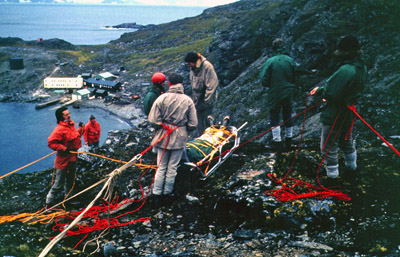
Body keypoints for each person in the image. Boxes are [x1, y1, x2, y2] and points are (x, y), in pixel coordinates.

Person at [309, 35, 367, 179]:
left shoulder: (345, 70)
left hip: (335, 112)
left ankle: (332, 177)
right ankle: (352, 169)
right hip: (349, 111)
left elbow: (331, 92)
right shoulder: (361, 67)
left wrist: (321, 92)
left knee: (328, 145)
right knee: (346, 140)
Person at [148, 72, 197, 205]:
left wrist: (162, 126)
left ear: (169, 83)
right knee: (172, 168)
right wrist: (183, 127)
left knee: (161, 166)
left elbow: (153, 119)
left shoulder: (162, 98)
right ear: (181, 84)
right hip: (179, 137)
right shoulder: (188, 100)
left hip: (163, 135)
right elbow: (193, 124)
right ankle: (167, 193)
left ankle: (157, 194)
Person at [259, 38, 296, 152]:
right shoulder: (290, 60)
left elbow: (264, 80)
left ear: (273, 48)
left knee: (275, 116)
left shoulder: (271, 61)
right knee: (287, 115)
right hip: (289, 91)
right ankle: (289, 140)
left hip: (275, 92)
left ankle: (277, 142)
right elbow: (295, 75)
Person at [46, 107, 84, 207]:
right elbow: (51, 143)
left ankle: (69, 200)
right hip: (62, 160)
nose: (69, 115)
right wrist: (63, 148)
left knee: (70, 181)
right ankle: (48, 203)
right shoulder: (59, 129)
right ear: (61, 117)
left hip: (72, 158)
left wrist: (81, 129)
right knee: (58, 184)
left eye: (68, 113)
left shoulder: (71, 126)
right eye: (66, 115)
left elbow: (75, 137)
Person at [184, 52, 218, 137]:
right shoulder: (193, 68)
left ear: (195, 61)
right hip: (197, 100)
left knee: (208, 119)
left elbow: (212, 85)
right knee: (198, 122)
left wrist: (207, 100)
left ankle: (211, 138)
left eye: (189, 63)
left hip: (206, 99)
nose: (188, 65)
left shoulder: (207, 66)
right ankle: (201, 138)